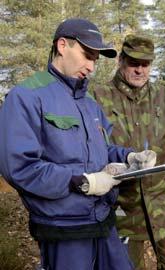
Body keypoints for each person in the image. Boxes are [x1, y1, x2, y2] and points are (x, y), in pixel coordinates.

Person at [0, 19, 156, 270]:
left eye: (95, 59)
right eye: (87, 55)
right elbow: (19, 167)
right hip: (64, 228)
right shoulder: (26, 96)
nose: (91, 66)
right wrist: (83, 181)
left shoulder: (89, 103)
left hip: (102, 219)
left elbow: (101, 151)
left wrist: (129, 157)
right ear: (63, 45)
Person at [93, 34, 165, 270]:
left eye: (145, 64)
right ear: (121, 61)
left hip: (163, 204)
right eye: (134, 63)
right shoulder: (98, 98)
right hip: (122, 210)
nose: (140, 70)